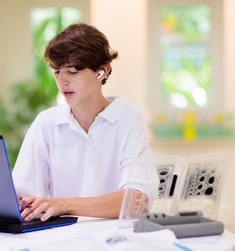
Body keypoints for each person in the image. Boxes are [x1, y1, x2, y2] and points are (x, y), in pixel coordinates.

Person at [12, 23, 158, 222]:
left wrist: (63, 205)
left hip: (113, 240)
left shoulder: (129, 119)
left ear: (102, 72)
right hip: (61, 240)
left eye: (72, 72)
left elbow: (137, 201)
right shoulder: (46, 123)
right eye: (57, 71)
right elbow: (21, 196)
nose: (62, 81)